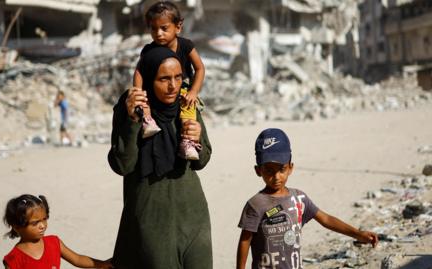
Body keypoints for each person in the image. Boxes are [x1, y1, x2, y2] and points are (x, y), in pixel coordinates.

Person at [108, 47, 212, 269]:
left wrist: (197, 139)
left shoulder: (187, 104)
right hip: (150, 217)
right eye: (163, 79)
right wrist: (132, 121)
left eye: (178, 77)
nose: (173, 86)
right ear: (147, 80)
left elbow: (202, 160)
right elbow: (122, 164)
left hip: (193, 214)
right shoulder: (131, 108)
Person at [236, 128, 379, 269]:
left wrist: (358, 234)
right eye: (269, 171)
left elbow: (326, 220)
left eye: (281, 169)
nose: (276, 177)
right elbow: (245, 240)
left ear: (290, 168)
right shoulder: (256, 204)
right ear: (258, 171)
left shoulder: (299, 198)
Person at [133, 1, 205, 160]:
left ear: (178, 27)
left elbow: (200, 68)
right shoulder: (149, 50)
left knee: (188, 109)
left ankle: (188, 142)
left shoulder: (185, 45)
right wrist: (138, 94)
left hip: (184, 89)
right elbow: (139, 71)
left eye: (164, 28)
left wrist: (193, 91)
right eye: (153, 29)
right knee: (145, 103)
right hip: (156, 91)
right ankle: (148, 121)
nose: (158, 33)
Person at [3, 194, 113, 269]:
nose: (43, 226)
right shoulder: (14, 259)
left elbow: (77, 259)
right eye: (35, 223)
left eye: (44, 219)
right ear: (17, 227)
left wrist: (101, 264)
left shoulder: (54, 242)